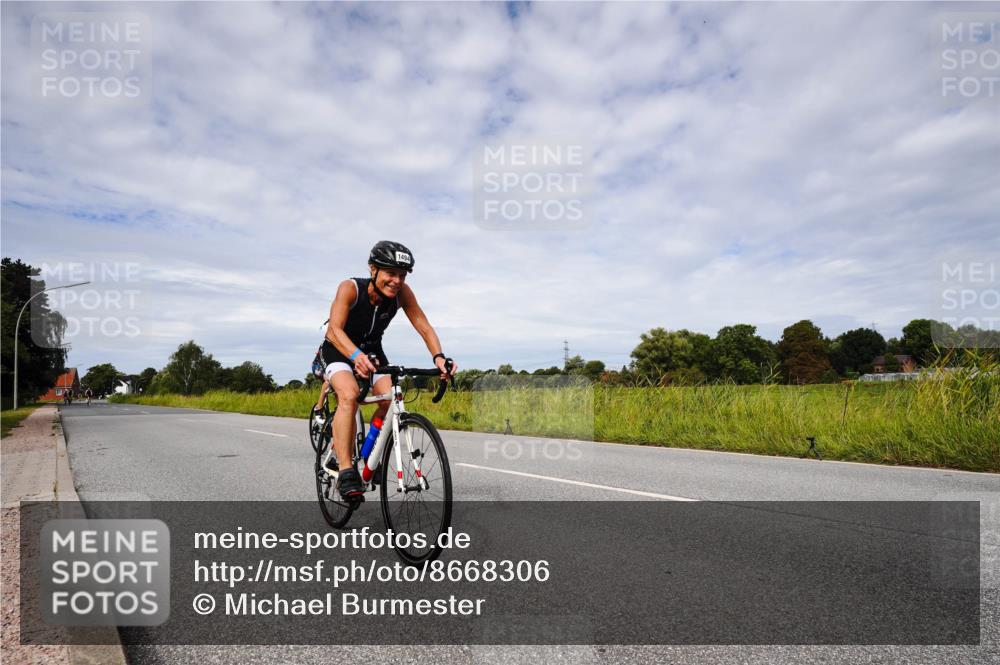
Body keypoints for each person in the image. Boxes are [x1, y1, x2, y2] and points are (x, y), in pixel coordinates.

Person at [320, 240, 457, 500]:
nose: (397, 281)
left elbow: (424, 326)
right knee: (348, 395)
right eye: (390, 273)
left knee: (390, 399)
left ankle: (373, 455)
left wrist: (439, 357)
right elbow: (333, 330)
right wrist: (355, 355)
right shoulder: (350, 288)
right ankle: (347, 469)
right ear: (373, 270)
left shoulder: (403, 294)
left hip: (372, 351)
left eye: (402, 275)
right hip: (338, 349)